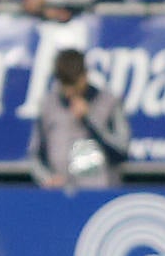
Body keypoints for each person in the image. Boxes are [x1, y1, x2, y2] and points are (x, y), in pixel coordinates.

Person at [28, 48, 131, 190]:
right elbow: (35, 155)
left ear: (84, 76)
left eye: (74, 85)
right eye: (65, 85)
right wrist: (48, 178)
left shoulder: (109, 102)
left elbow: (121, 151)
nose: (70, 92)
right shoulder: (48, 105)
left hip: (99, 193)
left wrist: (89, 119)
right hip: (60, 194)